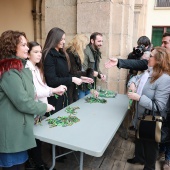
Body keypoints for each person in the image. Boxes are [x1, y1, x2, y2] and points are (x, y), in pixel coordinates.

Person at [105, 32, 170, 169]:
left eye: (150, 56)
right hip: (141, 115)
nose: (147, 58)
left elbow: (159, 106)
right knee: (139, 138)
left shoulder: (164, 79)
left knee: (151, 146)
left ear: (158, 60)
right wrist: (132, 84)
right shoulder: (149, 71)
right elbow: (136, 78)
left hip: (152, 118)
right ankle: (139, 158)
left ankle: (149, 166)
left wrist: (139, 97)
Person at [0, 30, 55, 170]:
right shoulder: (9, 70)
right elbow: (22, 101)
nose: (27, 48)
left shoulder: (20, 67)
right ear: (12, 47)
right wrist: (44, 108)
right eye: (23, 45)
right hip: (11, 131)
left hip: (19, 128)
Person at [25, 41, 67, 170]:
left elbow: (42, 87)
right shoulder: (27, 69)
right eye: (35, 52)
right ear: (28, 54)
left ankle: (36, 162)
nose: (39, 55)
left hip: (40, 109)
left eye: (40, 52)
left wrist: (54, 89)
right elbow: (34, 92)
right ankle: (37, 164)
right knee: (34, 139)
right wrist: (52, 90)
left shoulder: (37, 68)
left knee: (37, 139)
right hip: (33, 109)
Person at [42, 27, 84, 113]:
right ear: (54, 39)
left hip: (65, 95)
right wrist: (72, 79)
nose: (64, 42)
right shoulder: (49, 55)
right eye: (61, 39)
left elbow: (65, 74)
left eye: (64, 39)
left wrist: (81, 78)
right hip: (54, 98)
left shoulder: (62, 53)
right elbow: (51, 80)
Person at [66, 34, 98, 102]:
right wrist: (88, 73)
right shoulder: (70, 53)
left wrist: (86, 76)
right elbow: (73, 72)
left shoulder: (75, 53)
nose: (84, 48)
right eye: (84, 45)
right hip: (70, 85)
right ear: (80, 44)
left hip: (75, 84)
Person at [80, 32, 106, 98]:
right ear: (92, 41)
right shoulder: (85, 50)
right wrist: (96, 74)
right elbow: (84, 68)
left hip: (90, 84)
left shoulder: (96, 52)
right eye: (99, 41)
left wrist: (101, 75)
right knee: (82, 105)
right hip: (82, 85)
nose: (101, 44)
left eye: (102, 41)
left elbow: (96, 67)